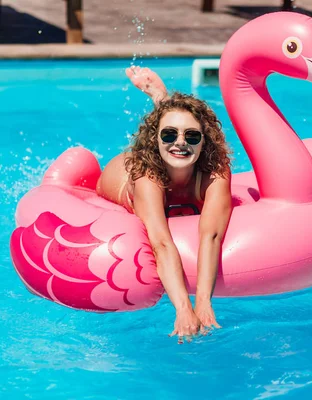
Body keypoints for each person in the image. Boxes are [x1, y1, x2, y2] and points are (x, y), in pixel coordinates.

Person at [96, 66, 233, 343]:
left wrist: (204, 302)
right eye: (168, 134)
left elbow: (212, 235)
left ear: (204, 142)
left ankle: (163, 102)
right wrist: (183, 306)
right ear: (155, 138)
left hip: (172, 169)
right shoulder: (146, 178)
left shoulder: (215, 172)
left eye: (193, 136)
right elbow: (160, 242)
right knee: (168, 150)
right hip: (123, 177)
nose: (181, 143)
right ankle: (161, 103)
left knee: (177, 145)